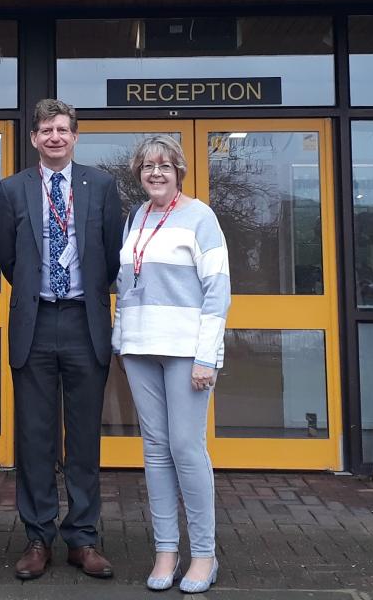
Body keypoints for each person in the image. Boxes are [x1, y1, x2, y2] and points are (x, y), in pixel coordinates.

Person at [0, 98, 123, 581]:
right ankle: (37, 537)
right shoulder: (13, 189)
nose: (54, 136)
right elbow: (7, 257)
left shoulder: (103, 186)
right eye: (46, 129)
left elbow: (111, 256)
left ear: (74, 137)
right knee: (34, 438)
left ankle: (84, 538)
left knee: (84, 436)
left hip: (83, 322)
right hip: (35, 321)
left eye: (63, 130)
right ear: (34, 138)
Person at [112, 134, 230, 594]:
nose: (155, 173)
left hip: (186, 352)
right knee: (156, 451)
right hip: (141, 349)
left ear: (179, 169)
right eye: (147, 166)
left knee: (186, 448)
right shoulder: (136, 217)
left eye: (164, 165)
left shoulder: (201, 217)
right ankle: (166, 551)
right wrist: (122, 341)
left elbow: (217, 290)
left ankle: (203, 555)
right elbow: (126, 284)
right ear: (139, 173)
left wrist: (207, 355)